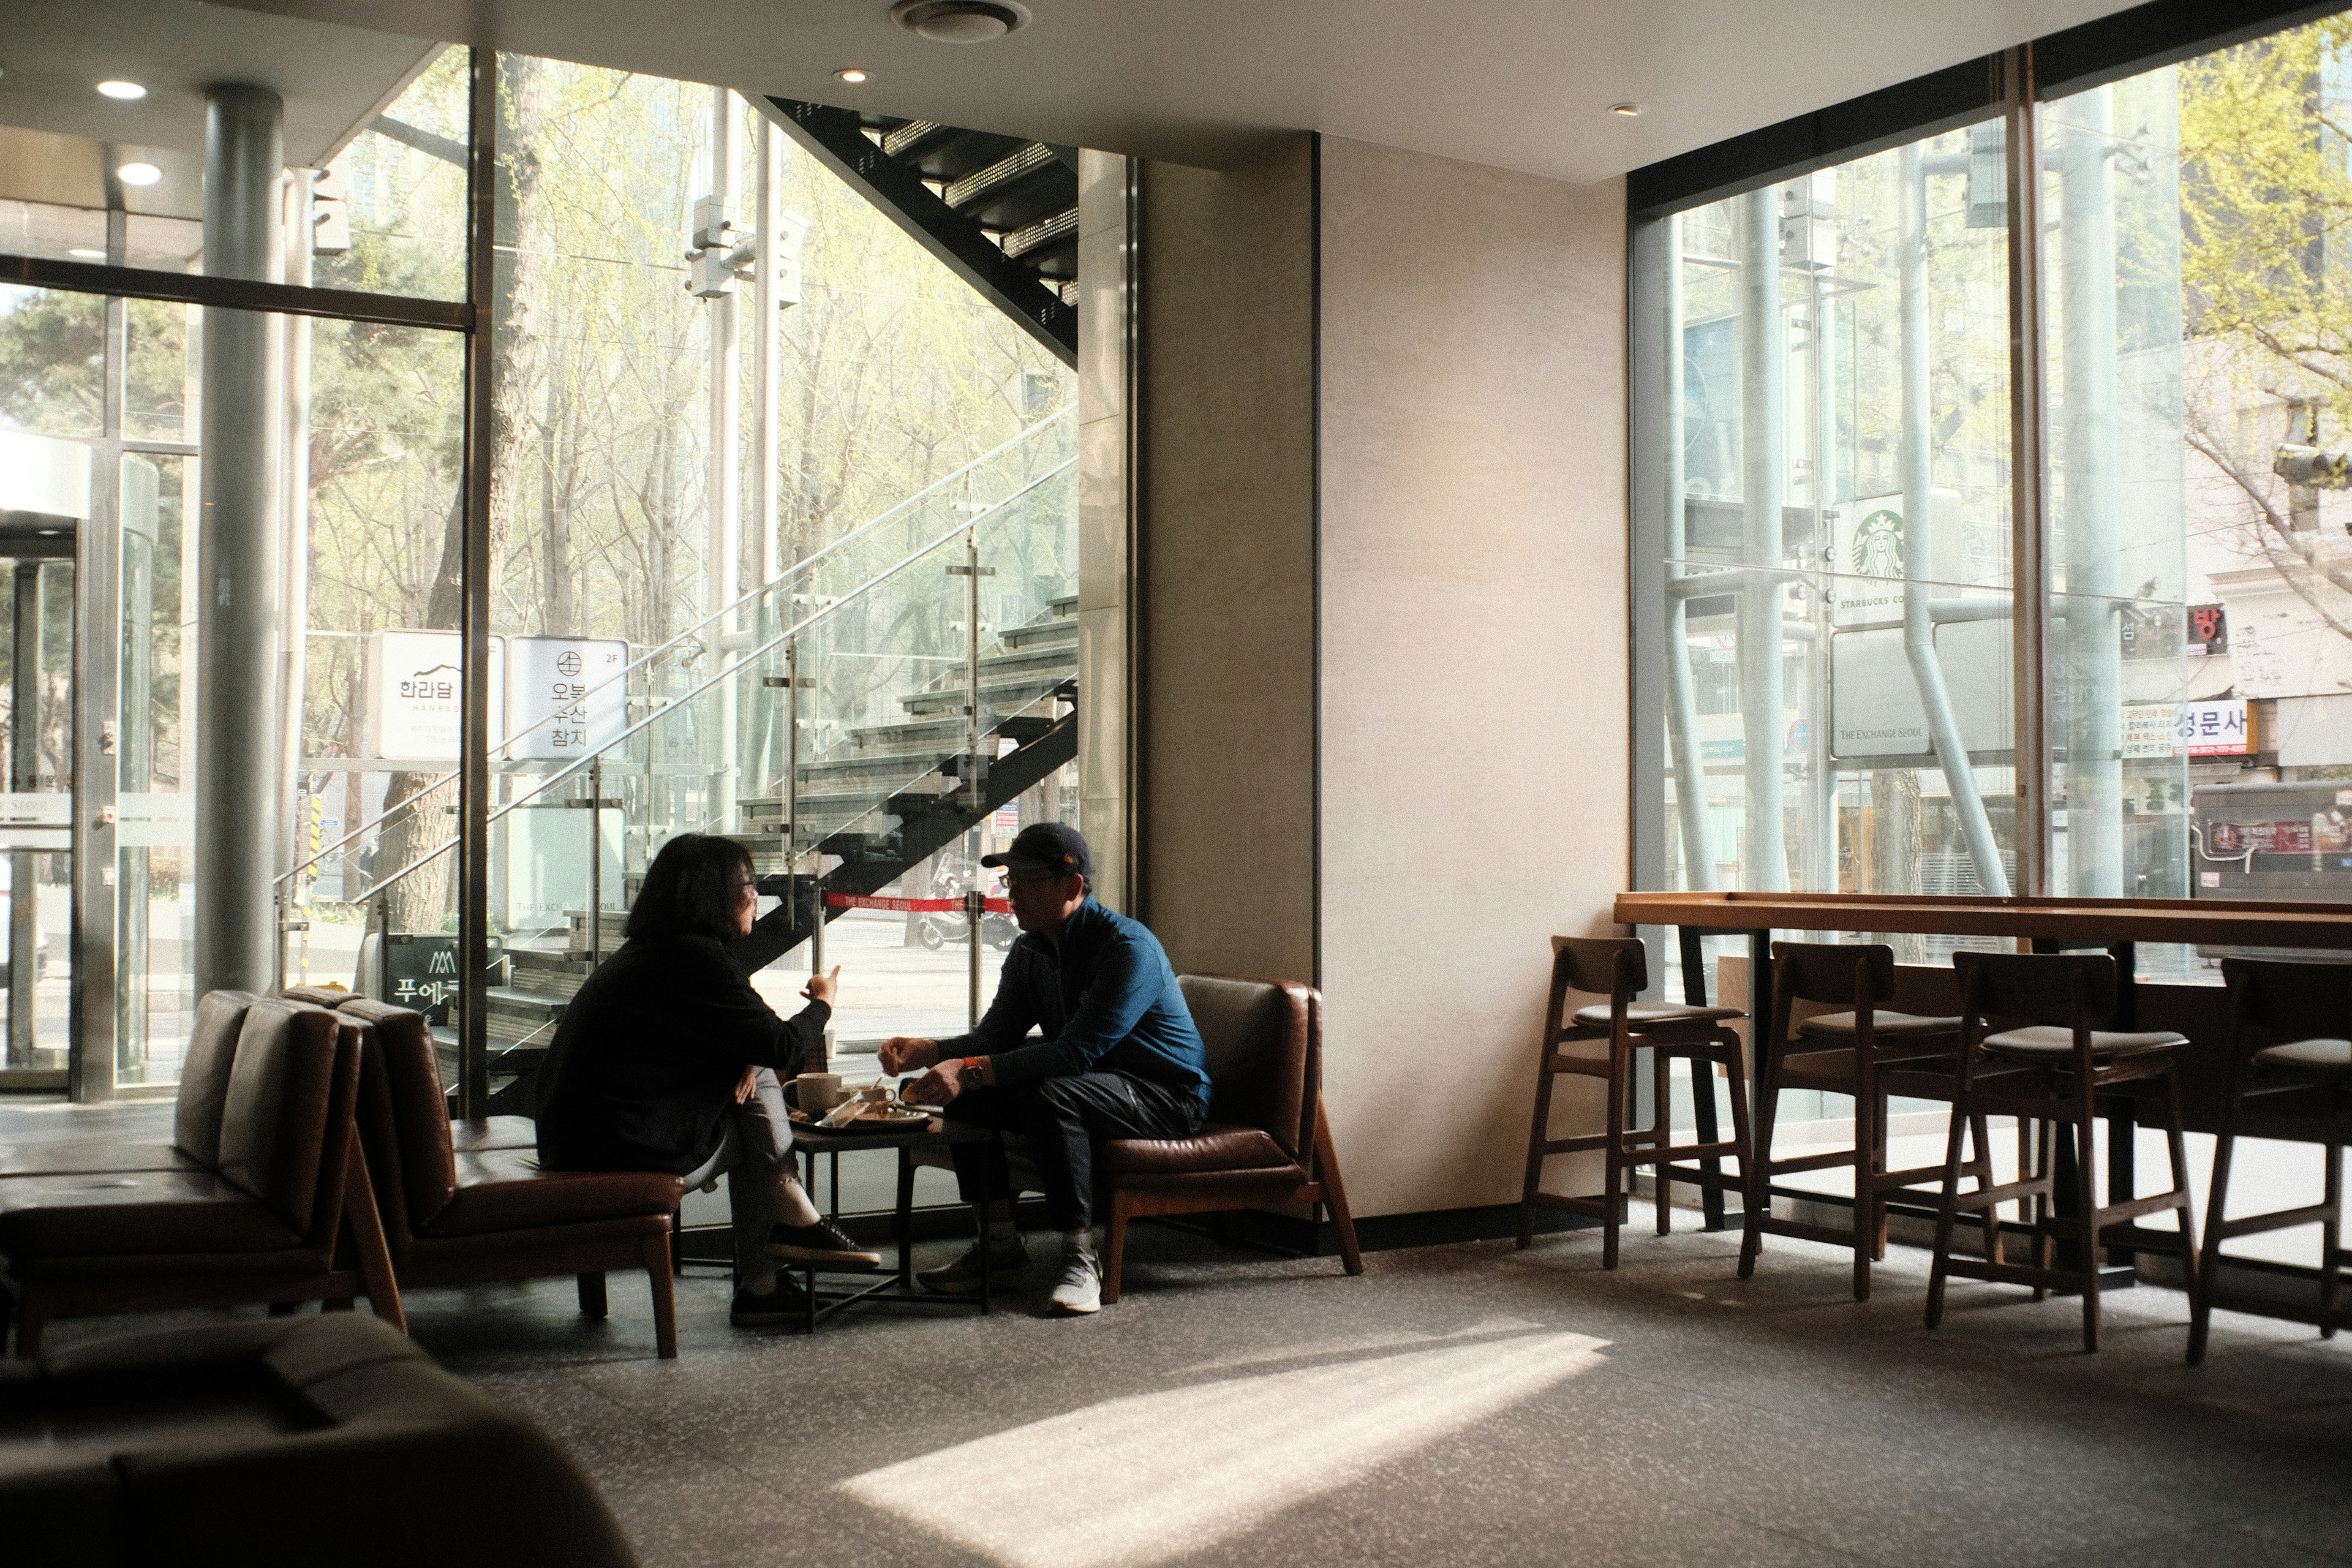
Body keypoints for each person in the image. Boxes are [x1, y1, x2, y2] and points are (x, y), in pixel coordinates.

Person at [533, 833, 875, 1326]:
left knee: (754, 1071)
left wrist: (745, 1055)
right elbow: (780, 1044)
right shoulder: (696, 958)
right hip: (622, 1151)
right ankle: (781, 1243)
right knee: (760, 1112)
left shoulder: (654, 951)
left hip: (581, 1140)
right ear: (708, 893)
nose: (757, 896)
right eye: (748, 885)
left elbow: (730, 1040)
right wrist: (824, 1000)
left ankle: (784, 1237)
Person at [879, 823, 1208, 1315]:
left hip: (1165, 1096)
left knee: (1052, 1092)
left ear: (1072, 887)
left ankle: (1080, 1259)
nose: (1010, 894)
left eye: (1024, 882)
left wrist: (967, 1069)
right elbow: (995, 1038)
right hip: (1091, 1087)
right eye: (1009, 881)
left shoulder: (1126, 948)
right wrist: (929, 1051)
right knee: (971, 1095)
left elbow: (1076, 1054)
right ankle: (1000, 1246)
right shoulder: (1031, 949)